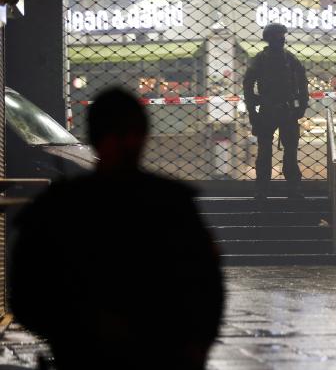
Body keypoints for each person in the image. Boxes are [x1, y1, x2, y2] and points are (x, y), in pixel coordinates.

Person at [9, 88, 224, 370]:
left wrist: (70, 331)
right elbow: (208, 286)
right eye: (122, 134)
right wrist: (192, 345)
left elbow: (25, 289)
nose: (127, 143)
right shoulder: (171, 203)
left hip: (83, 352)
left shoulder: (59, 207)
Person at [243, 23, 309, 200]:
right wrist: (252, 111)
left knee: (289, 152)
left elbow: (303, 84)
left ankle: (290, 188)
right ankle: (266, 189)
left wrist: (301, 106)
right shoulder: (265, 59)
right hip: (270, 111)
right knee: (266, 153)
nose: (281, 39)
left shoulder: (286, 58)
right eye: (278, 36)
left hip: (281, 111)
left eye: (282, 36)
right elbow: (248, 85)